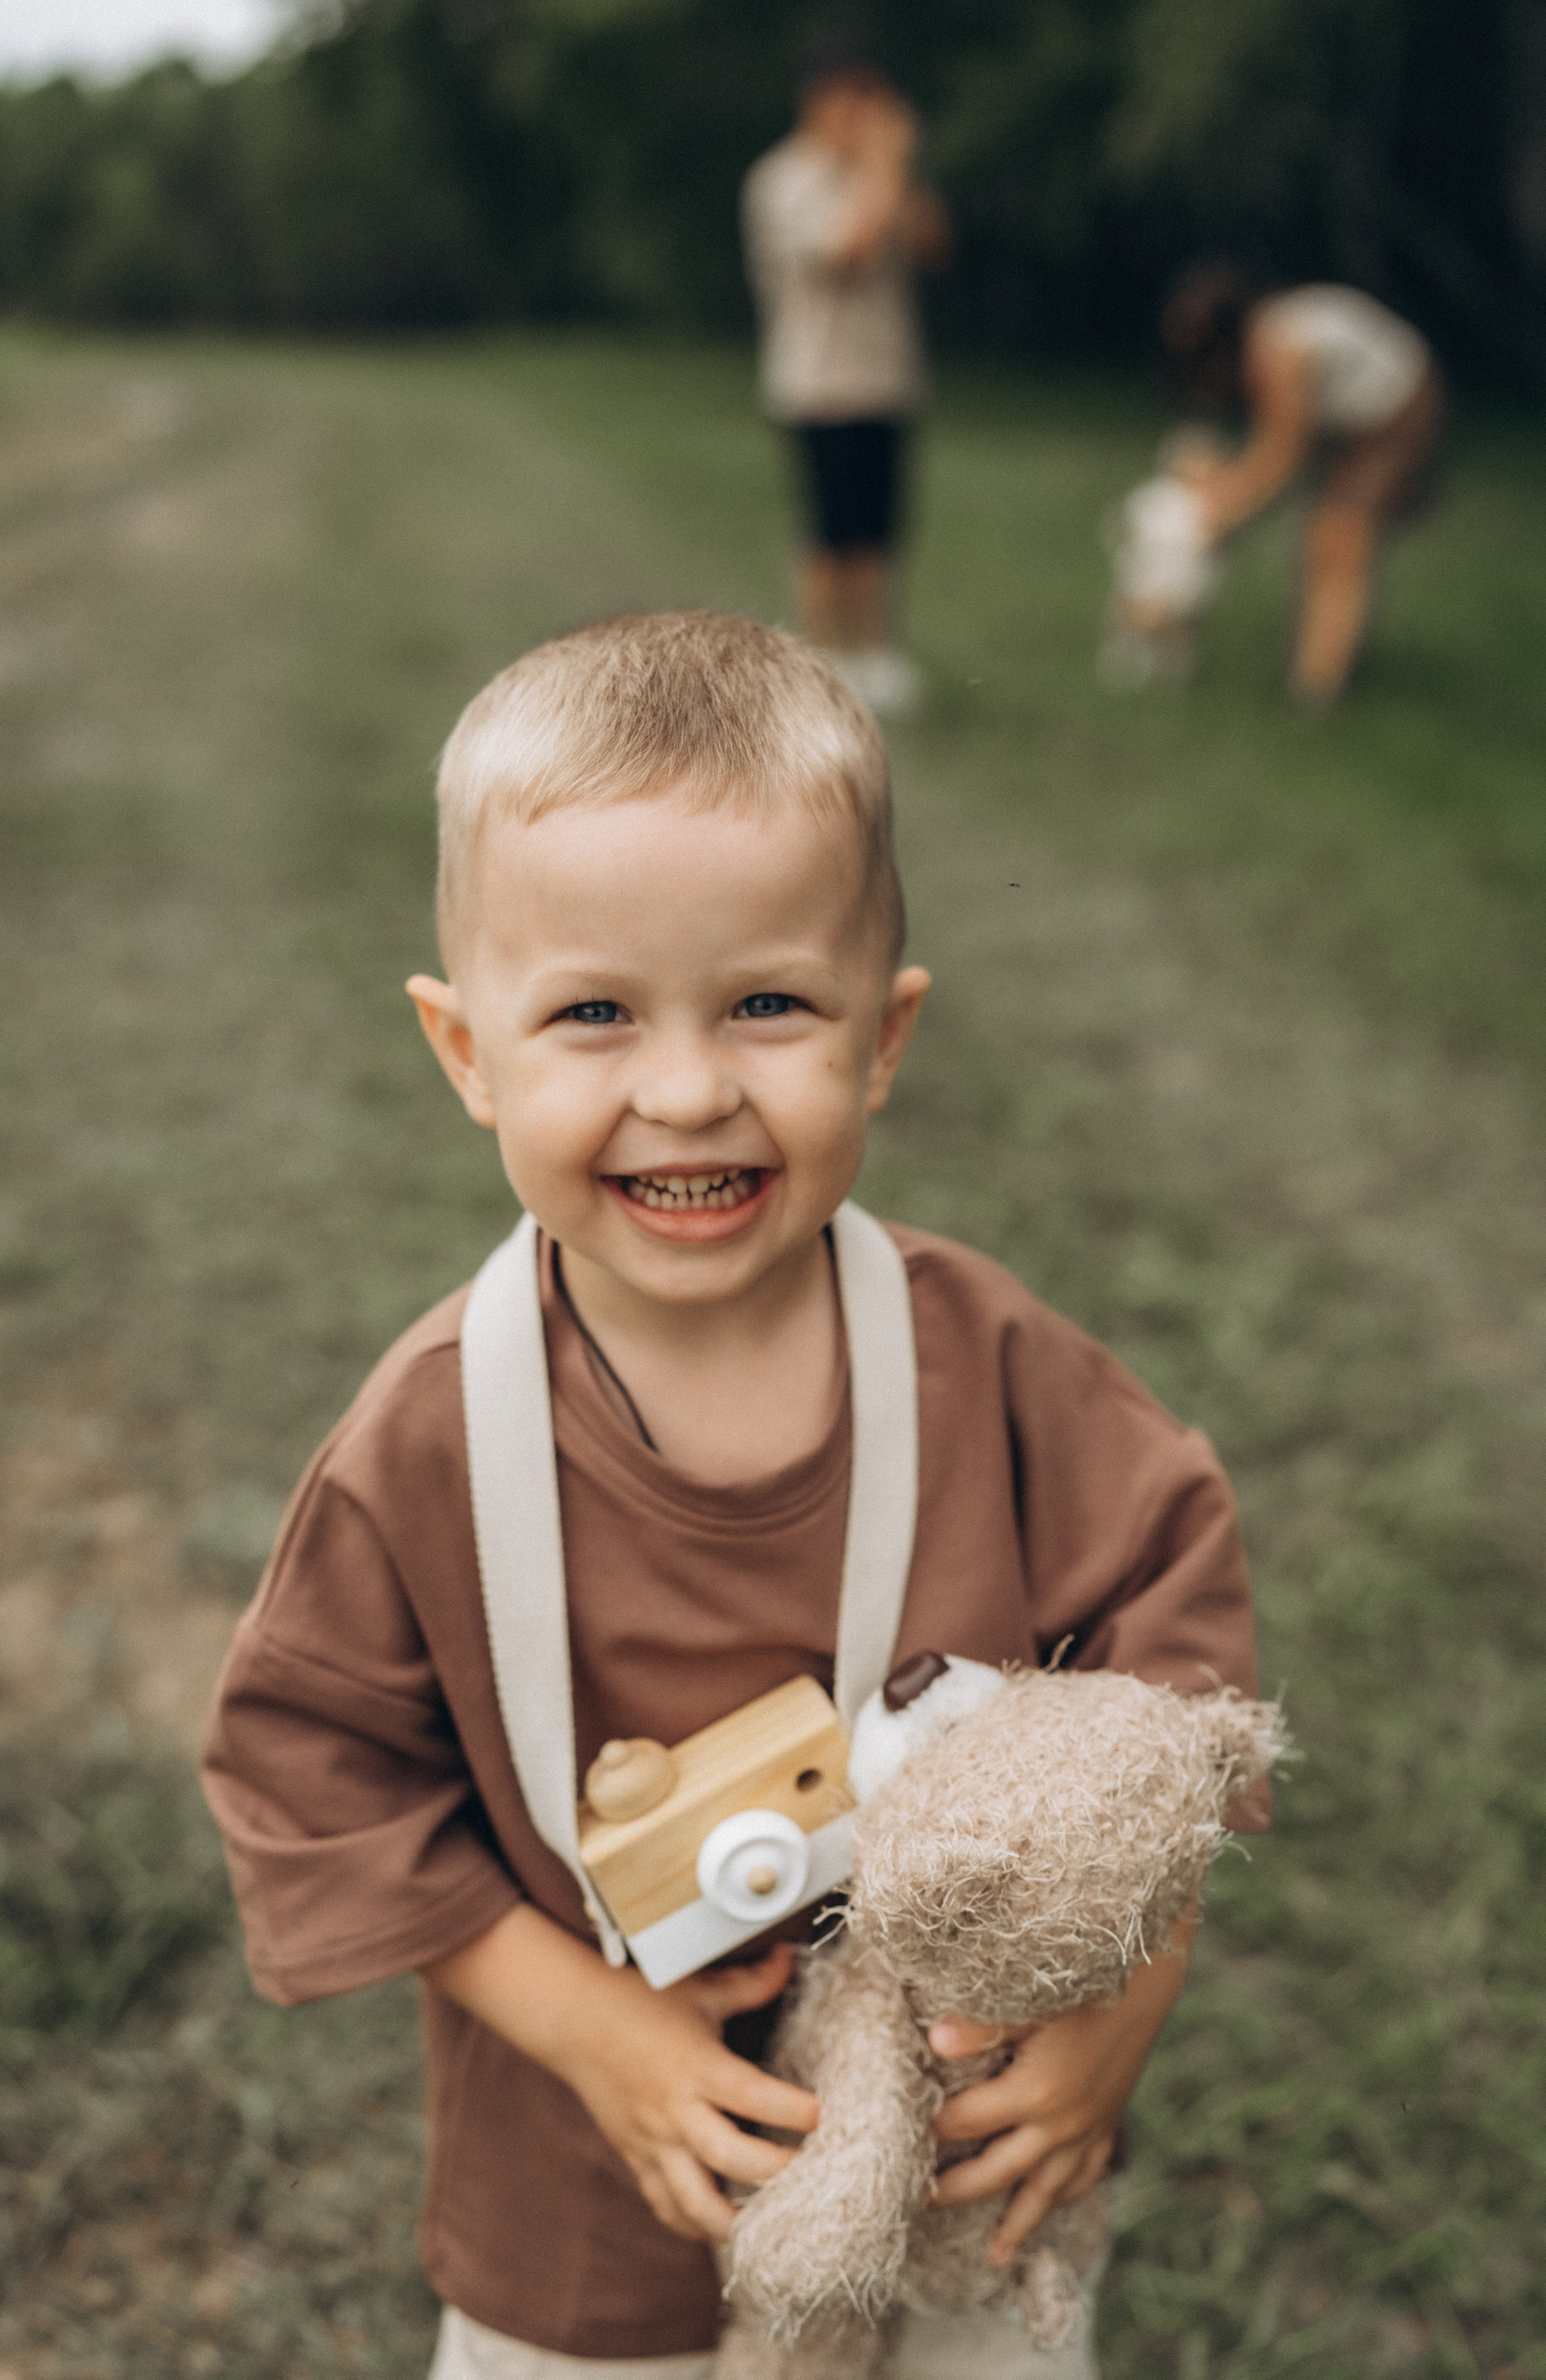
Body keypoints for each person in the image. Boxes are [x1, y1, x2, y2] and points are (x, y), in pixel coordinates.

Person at [201, 609, 1267, 2380]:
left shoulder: (988, 1360)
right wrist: (591, 2030)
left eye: (769, 1004)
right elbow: (310, 1779)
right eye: (593, 1014)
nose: (689, 1090)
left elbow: (1178, 1677)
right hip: (600, 2190)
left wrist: (1120, 2005)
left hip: (960, 2158)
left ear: (884, 1035)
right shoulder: (428, 1440)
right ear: (467, 1053)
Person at [741, 45, 950, 717]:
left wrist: (896, 172)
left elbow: (933, 247)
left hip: (885, 378)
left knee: (880, 531)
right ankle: (823, 660)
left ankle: (875, 652)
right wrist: (883, 166)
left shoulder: (881, 174)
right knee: (831, 535)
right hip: (820, 384)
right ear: (823, 100)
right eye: (858, 100)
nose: (868, 117)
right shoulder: (784, 178)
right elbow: (848, 255)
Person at [1161, 263, 1444, 706]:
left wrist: (1217, 518)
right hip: (1350, 420)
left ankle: (1317, 688)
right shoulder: (1271, 333)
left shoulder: (1281, 349)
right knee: (1318, 539)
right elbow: (1273, 451)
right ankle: (1323, 660)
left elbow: (1282, 459)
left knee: (1338, 538)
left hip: (1395, 412)